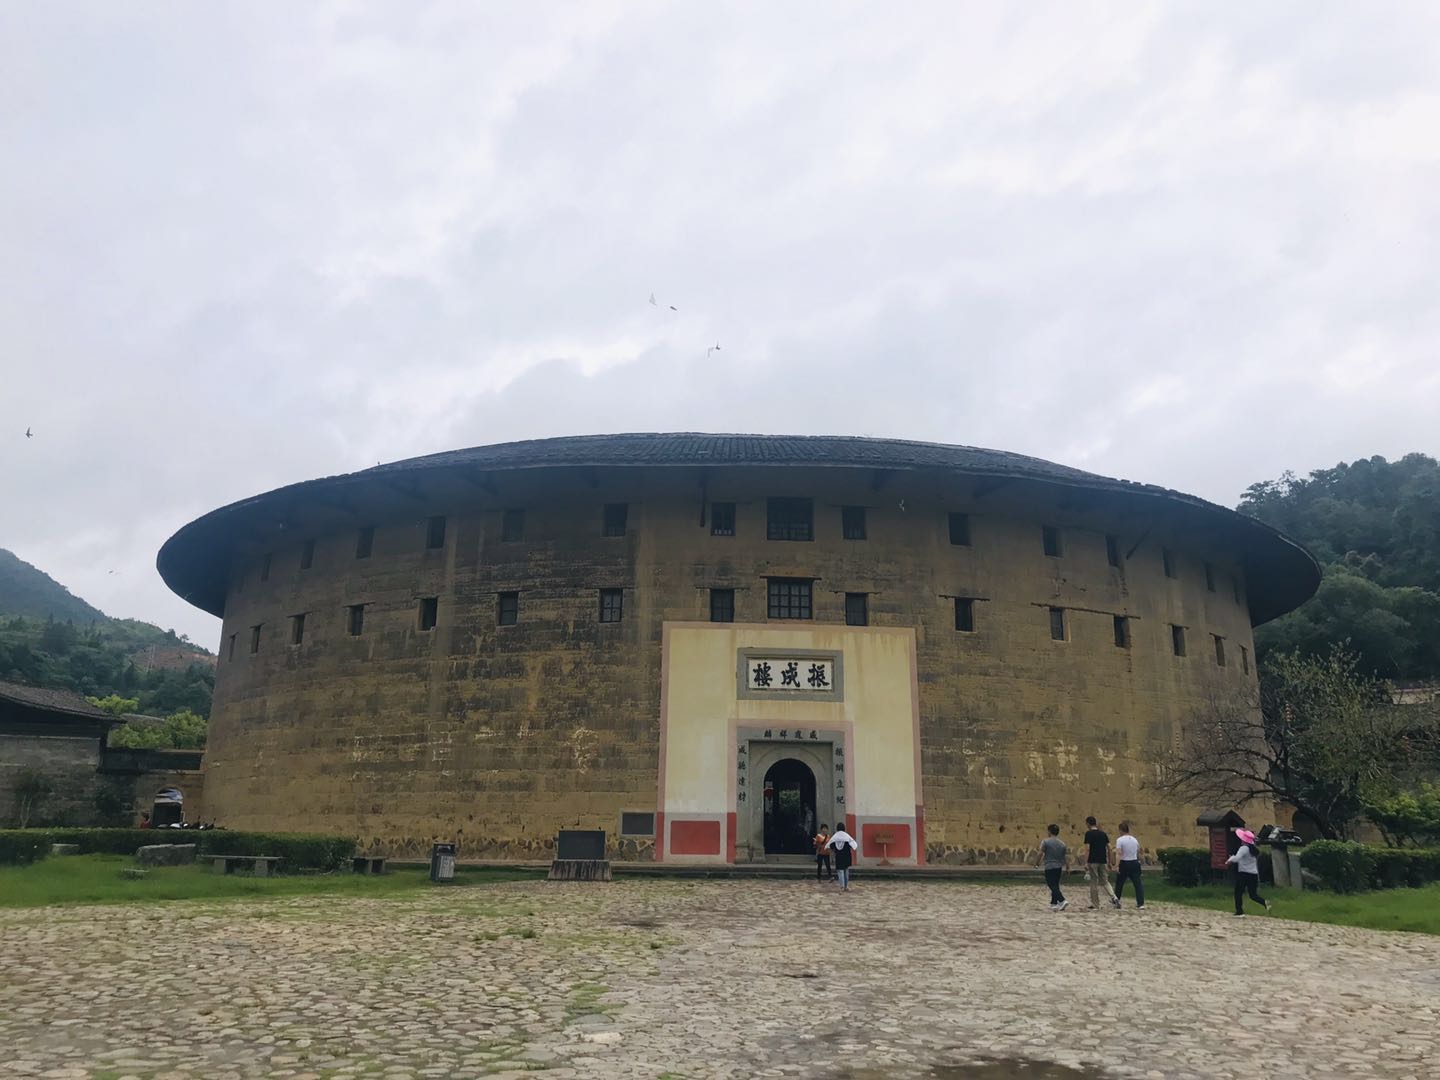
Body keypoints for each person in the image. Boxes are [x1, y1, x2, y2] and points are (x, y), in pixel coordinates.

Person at [1227, 828, 1272, 917]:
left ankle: (1239, 911)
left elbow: (1237, 858)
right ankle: (1264, 902)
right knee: (1253, 894)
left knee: (1238, 892)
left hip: (1243, 874)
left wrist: (1230, 859)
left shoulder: (1243, 848)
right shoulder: (1253, 850)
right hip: (1253, 874)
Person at [1082, 815, 1120, 910]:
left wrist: (1086, 862)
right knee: (1105, 881)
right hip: (1102, 860)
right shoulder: (1103, 834)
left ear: (1088, 823)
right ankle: (1114, 897)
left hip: (1093, 860)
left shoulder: (1088, 834)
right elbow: (1110, 848)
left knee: (1094, 882)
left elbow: (1087, 849)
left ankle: (1096, 904)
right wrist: (1110, 861)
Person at [1036, 824, 1069, 911]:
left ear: (1049, 831)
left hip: (1049, 866)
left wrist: (1037, 863)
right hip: (1058, 867)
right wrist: (1068, 867)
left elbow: (1040, 853)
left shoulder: (1045, 842)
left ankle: (1062, 900)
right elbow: (1065, 857)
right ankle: (1054, 903)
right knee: (1056, 885)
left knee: (1051, 884)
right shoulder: (1062, 844)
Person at [1114, 821, 1144, 909]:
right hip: (1134, 862)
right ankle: (1140, 902)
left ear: (1120, 830)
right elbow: (1139, 850)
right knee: (1137, 883)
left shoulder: (1120, 840)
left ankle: (1117, 900)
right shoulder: (1134, 839)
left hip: (1124, 862)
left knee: (1119, 883)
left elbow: (1118, 853)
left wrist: (1117, 865)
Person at [825, 825, 858, 891]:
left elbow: (830, 846)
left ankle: (842, 886)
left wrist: (833, 852)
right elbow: (853, 845)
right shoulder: (847, 836)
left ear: (837, 829)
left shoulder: (835, 837)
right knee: (846, 871)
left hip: (839, 857)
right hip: (847, 856)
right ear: (844, 828)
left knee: (840, 871)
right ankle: (846, 886)